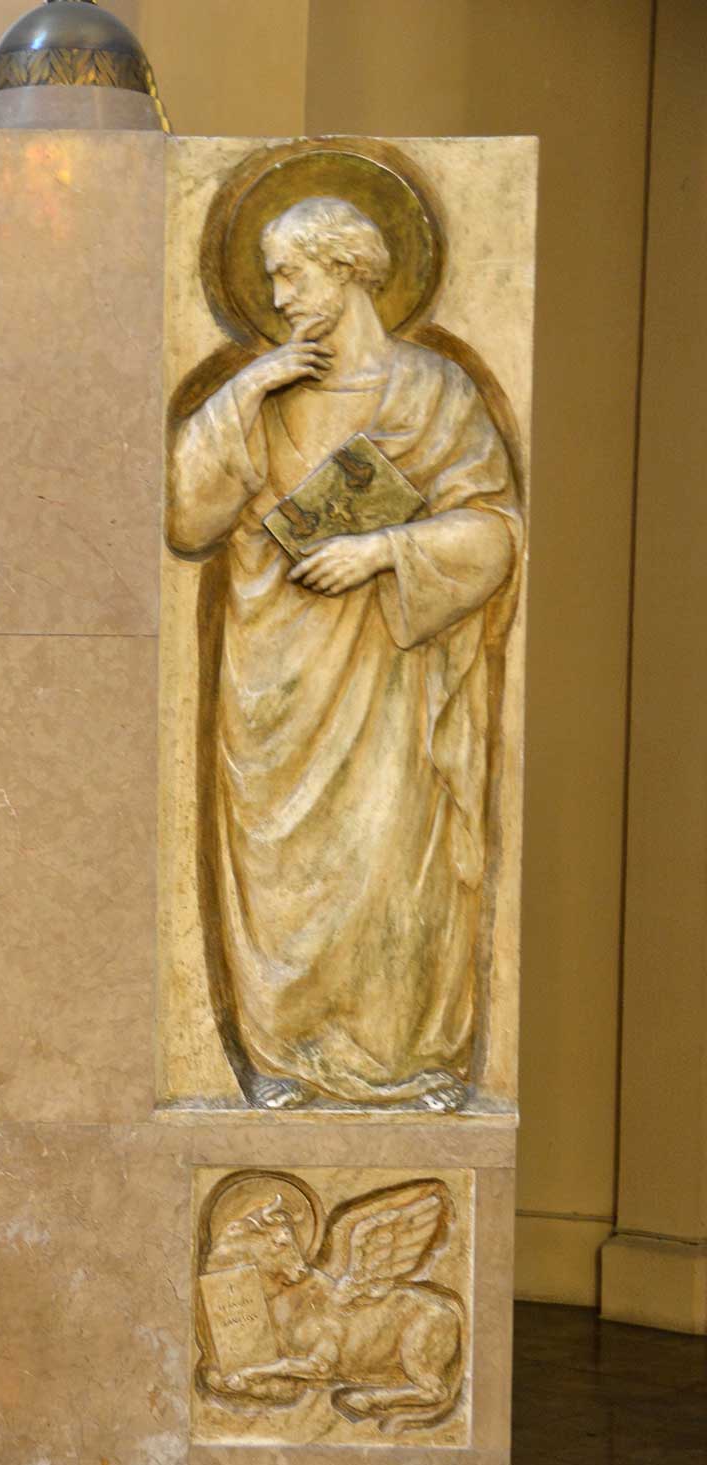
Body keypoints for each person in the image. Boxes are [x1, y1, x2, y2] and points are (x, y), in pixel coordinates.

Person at [169, 195, 522, 1110]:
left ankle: (409, 1056)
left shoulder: (433, 392)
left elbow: (495, 532)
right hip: (272, 678)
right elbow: (187, 522)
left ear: (347, 268)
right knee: (283, 872)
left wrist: (382, 552)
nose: (279, 296)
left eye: (292, 274)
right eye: (271, 278)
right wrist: (245, 392)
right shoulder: (258, 396)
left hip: (392, 678)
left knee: (389, 862)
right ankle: (282, 1057)